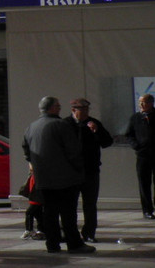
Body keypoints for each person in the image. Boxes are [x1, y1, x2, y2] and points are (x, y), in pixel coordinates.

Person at [22, 95, 93, 254]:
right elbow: (73, 151)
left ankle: (52, 244)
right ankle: (74, 244)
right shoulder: (61, 125)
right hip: (65, 178)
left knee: (49, 213)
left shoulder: (32, 127)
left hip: (44, 179)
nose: (60, 108)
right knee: (68, 213)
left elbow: (27, 152)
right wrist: (79, 170)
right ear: (52, 108)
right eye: (58, 106)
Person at [69, 98, 113, 243]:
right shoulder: (65, 124)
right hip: (72, 171)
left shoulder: (93, 123)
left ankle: (89, 232)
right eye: (82, 109)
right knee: (70, 204)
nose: (86, 112)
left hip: (91, 170)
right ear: (74, 110)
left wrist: (97, 131)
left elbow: (107, 142)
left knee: (90, 203)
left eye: (87, 109)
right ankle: (70, 233)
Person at [125, 93, 155, 219]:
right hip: (143, 156)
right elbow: (129, 134)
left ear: (151, 103)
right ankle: (147, 210)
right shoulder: (136, 118)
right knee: (144, 183)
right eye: (140, 102)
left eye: (145, 102)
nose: (142, 105)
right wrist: (137, 146)